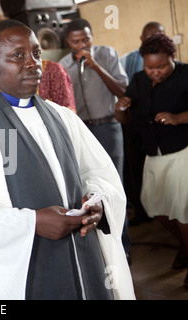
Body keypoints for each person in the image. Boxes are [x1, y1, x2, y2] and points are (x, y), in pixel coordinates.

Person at [0, 20, 135, 300]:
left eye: (36, 53)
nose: (32, 63)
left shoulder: (62, 117)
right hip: (28, 273)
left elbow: (100, 173)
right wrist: (32, 222)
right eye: (18, 55)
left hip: (85, 256)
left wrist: (98, 203)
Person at [115, 34, 188, 288]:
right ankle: (185, 245)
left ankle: (187, 252)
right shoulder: (138, 80)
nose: (155, 73)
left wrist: (178, 118)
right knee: (154, 205)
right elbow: (125, 120)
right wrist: (120, 109)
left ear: (173, 58)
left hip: (181, 151)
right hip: (153, 152)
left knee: (183, 211)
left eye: (161, 67)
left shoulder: (185, 75)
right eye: (150, 67)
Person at [59, 18, 131, 262]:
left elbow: (122, 91)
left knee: (114, 185)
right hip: (81, 132)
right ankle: (101, 247)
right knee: (90, 188)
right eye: (76, 41)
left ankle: (123, 246)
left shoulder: (107, 54)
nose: (82, 45)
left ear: (92, 36)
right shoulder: (63, 66)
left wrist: (97, 66)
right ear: (68, 41)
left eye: (86, 39)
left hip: (108, 126)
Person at [120, 22, 165, 225]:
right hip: (134, 124)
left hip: (160, 125)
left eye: (160, 35)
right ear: (141, 38)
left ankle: (163, 211)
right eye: (151, 36)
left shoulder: (173, 64)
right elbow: (124, 91)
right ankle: (142, 211)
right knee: (136, 169)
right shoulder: (128, 61)